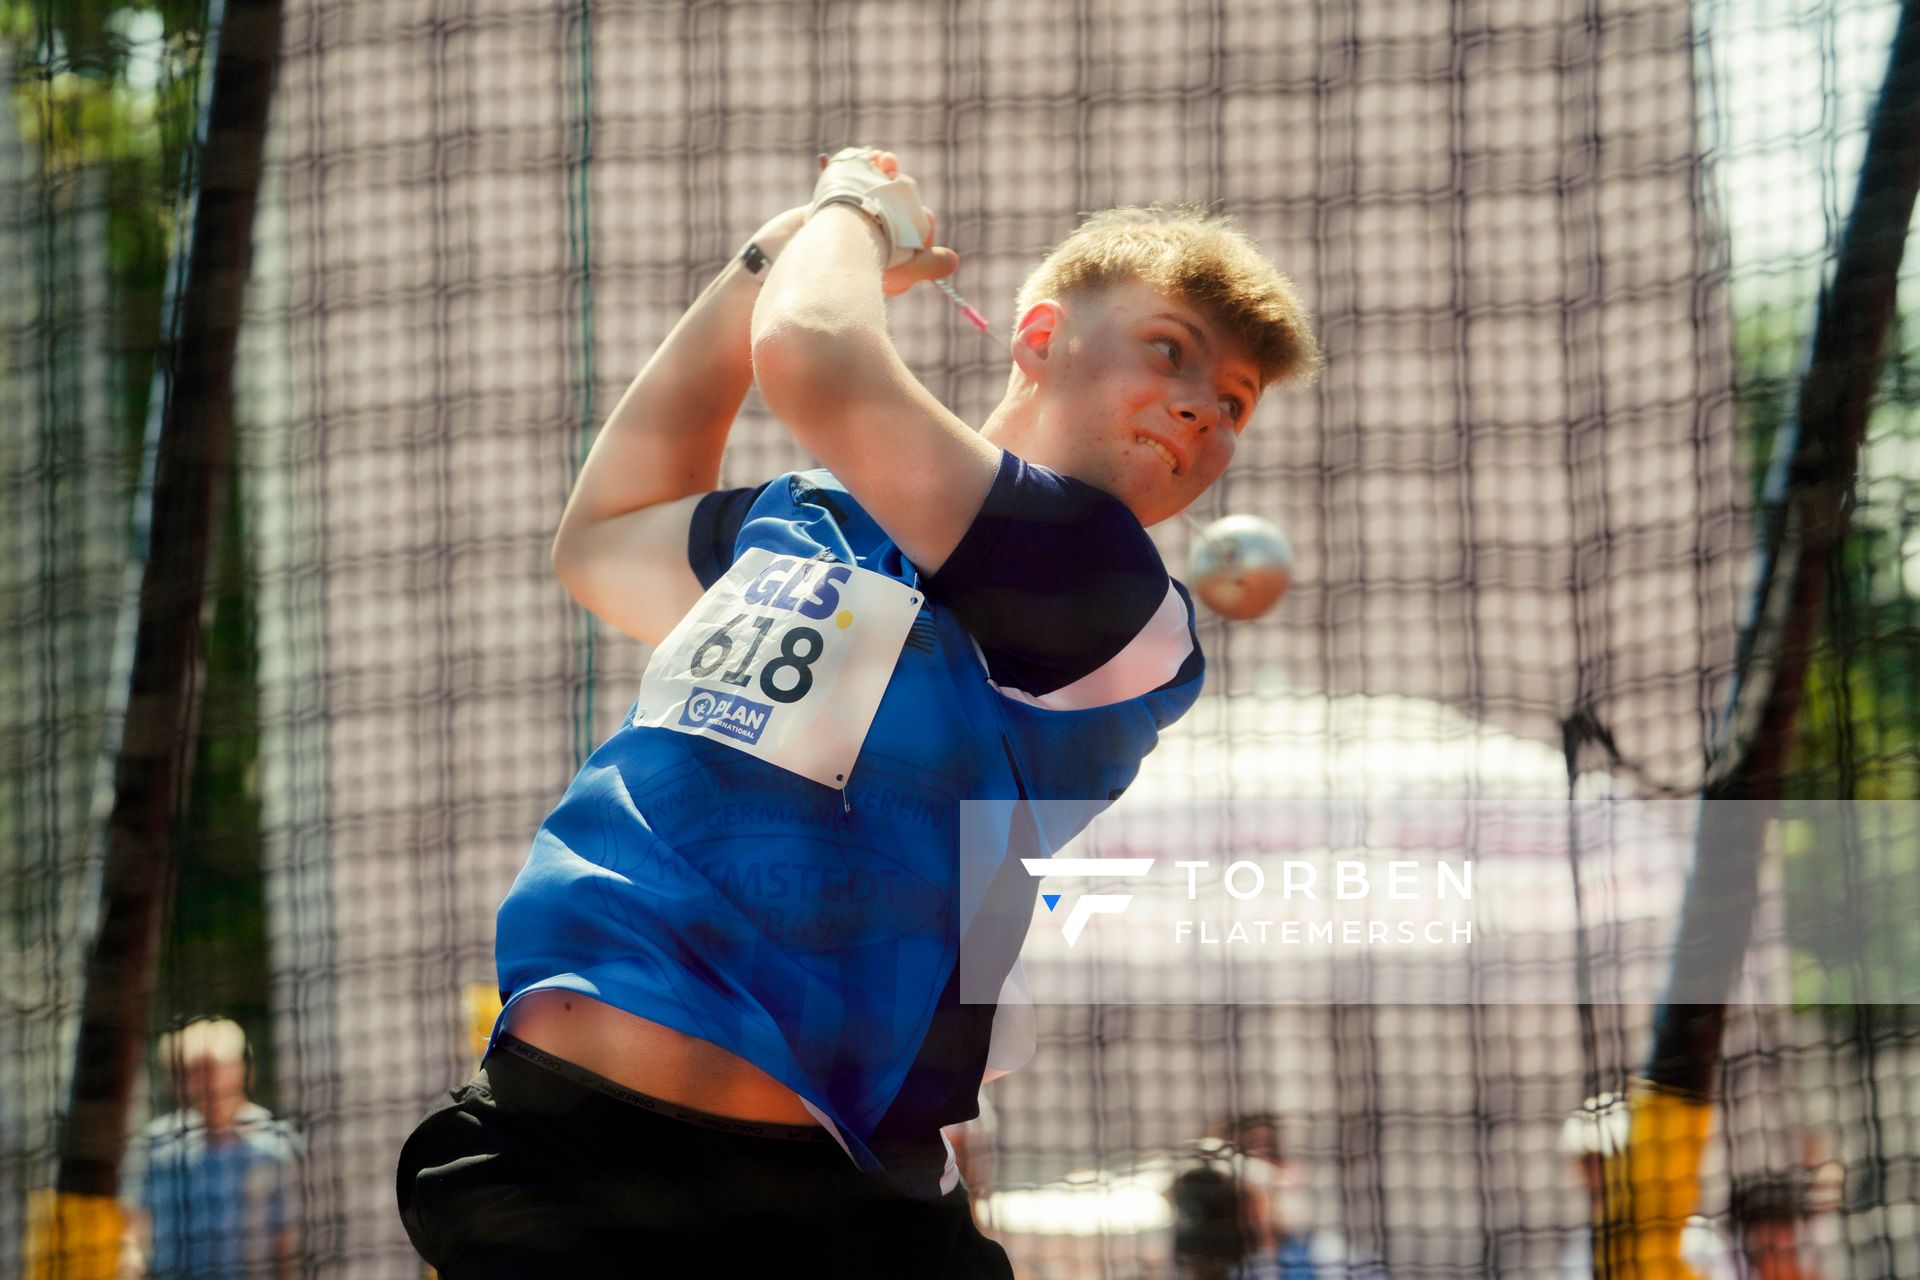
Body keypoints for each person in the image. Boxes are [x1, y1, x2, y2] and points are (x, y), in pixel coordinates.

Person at [395, 146, 1319, 1278]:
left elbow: (814, 356)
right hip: (548, 1156)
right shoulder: (810, 516)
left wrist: (847, 214)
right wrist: (760, 264)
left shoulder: (1110, 591)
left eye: (1231, 404)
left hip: (820, 1211)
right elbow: (601, 540)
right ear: (1037, 334)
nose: (1198, 408)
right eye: (1171, 349)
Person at [120, 1017, 302, 1280]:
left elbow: (290, 1246)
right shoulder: (156, 1146)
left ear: (242, 1070)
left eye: (211, 1069)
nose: (203, 1083)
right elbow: (131, 1229)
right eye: (190, 1071)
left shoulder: (277, 1147)